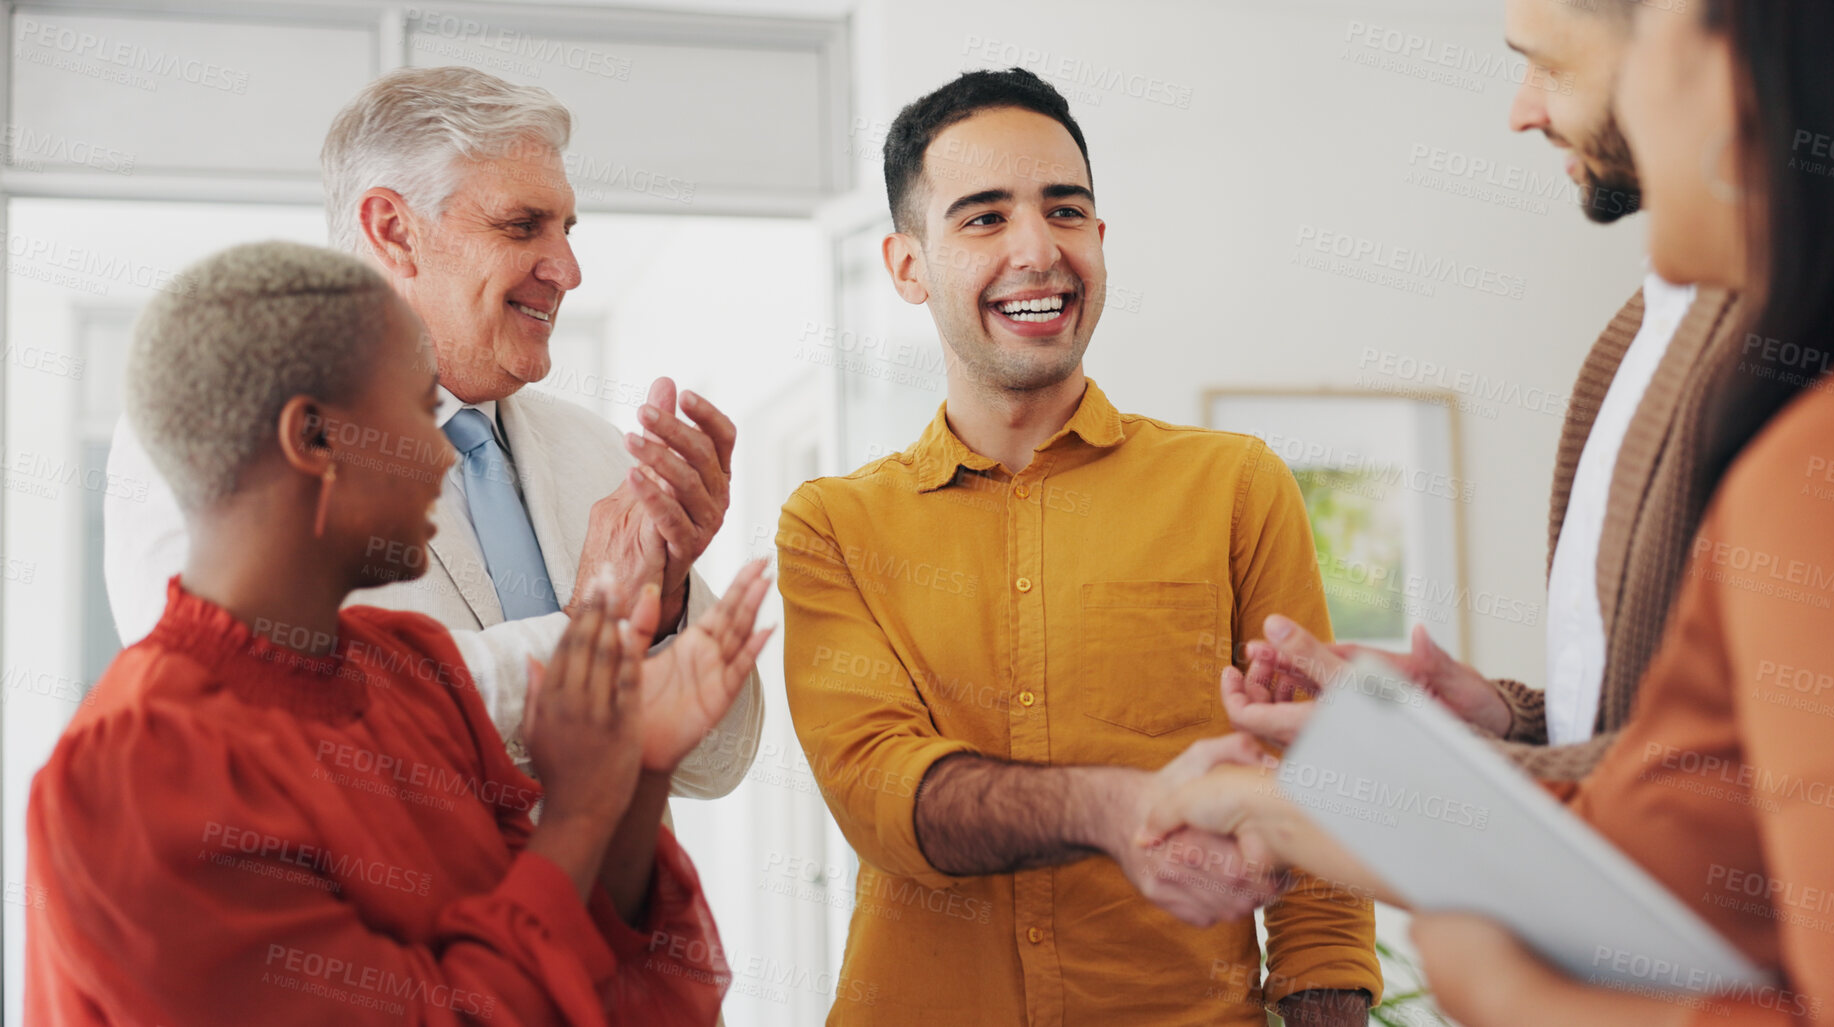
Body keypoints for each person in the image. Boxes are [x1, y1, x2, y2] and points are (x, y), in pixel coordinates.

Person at [1149, 1, 1834, 1022]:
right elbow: (1688, 789)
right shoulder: (1688, 356)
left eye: (1644, 45)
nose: (1525, 111)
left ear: (1754, 68)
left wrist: (1515, 996)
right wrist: (1362, 778)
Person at [27, 240, 774, 1025]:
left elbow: (585, 954)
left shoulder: (409, 669)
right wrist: (584, 807)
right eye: (422, 412)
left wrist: (637, 773)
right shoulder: (135, 776)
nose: (442, 456)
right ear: (313, 438)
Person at [775, 69, 1379, 1025]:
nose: (1036, 249)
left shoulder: (1232, 485)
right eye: (981, 217)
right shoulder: (833, 525)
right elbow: (879, 792)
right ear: (907, 266)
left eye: (1065, 210)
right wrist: (1114, 808)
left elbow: (1315, 772)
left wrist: (1324, 1000)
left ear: (1100, 239)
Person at [100, 66, 761, 796]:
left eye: (567, 229)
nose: (569, 270)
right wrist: (589, 632)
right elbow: (275, 712)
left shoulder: (605, 456)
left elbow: (718, 766)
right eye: (522, 225)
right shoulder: (225, 430)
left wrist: (663, 612)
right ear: (394, 231)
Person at [1251, 0, 1745, 781]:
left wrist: (1439, 767)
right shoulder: (1643, 325)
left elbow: (1739, 769)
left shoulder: (1804, 343)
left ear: (1685, 52)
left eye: (1549, 65)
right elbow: (1654, 720)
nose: (1521, 112)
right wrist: (1505, 716)